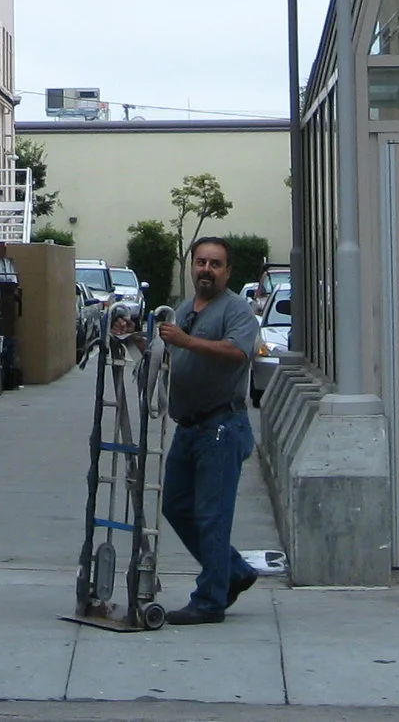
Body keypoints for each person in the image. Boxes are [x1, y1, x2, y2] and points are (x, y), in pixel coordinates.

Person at [156, 236, 262, 625]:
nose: (206, 270)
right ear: (192, 266)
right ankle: (233, 571)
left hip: (221, 426)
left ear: (228, 271)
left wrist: (187, 340)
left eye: (215, 264)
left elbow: (237, 353)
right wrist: (137, 340)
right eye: (201, 262)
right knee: (175, 506)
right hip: (189, 426)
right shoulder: (185, 309)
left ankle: (210, 600)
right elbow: (173, 357)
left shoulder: (237, 311)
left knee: (211, 515)